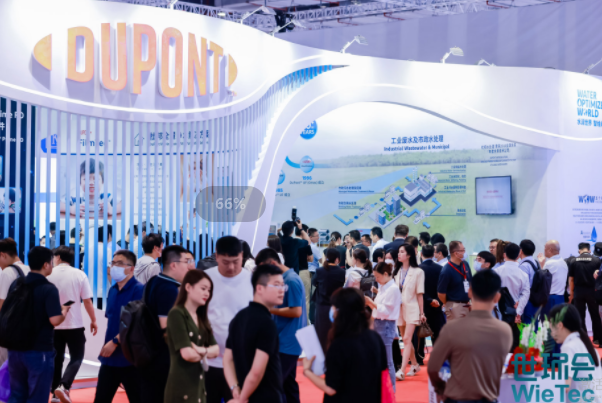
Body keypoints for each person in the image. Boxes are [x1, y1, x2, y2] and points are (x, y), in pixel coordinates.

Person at [427, 269, 512, 403]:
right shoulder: (505, 331)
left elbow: (433, 367)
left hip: (455, 398)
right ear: (497, 297)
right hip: (487, 399)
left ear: (470, 292)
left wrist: (440, 388)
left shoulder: (452, 328)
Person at [6, 247, 71, 403]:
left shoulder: (17, 283)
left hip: (14, 348)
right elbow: (55, 320)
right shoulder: (48, 288)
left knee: (17, 395)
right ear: (46, 264)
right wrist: (64, 311)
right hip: (38, 349)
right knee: (37, 396)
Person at [302, 288, 388, 403]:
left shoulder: (339, 344)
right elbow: (382, 374)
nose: (332, 310)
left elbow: (331, 388)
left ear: (341, 311)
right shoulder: (375, 338)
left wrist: (307, 371)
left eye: (334, 306)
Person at [139, 245, 195, 403]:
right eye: (186, 261)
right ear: (174, 265)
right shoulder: (169, 289)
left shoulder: (154, 281)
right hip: (163, 358)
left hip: (148, 353)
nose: (189, 266)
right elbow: (167, 327)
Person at [223, 264, 285, 403]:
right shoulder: (267, 323)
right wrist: (242, 399)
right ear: (259, 288)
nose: (282, 290)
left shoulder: (238, 317)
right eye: (276, 285)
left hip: (244, 393)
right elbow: (257, 372)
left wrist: (235, 388)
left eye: (283, 285)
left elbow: (227, 359)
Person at [204, 236, 253, 403]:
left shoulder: (252, 281)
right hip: (209, 362)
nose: (231, 267)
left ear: (242, 256)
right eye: (225, 262)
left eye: (236, 261)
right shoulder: (204, 279)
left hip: (240, 363)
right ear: (216, 255)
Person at [256, 248, 306, 403]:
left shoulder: (290, 280)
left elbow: (296, 311)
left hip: (288, 342)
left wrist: (269, 309)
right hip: (283, 340)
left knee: (274, 384)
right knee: (288, 385)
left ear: (272, 263)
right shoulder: (285, 279)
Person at [48, 246, 98, 403]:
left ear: (58, 257)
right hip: (74, 324)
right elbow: (87, 301)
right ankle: (64, 386)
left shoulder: (49, 274)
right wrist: (93, 320)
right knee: (77, 357)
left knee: (56, 359)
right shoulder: (79, 274)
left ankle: (55, 393)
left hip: (53, 324)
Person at [94, 250, 143, 403]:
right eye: (113, 263)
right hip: (109, 358)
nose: (114, 266)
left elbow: (137, 324)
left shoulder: (139, 290)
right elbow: (112, 320)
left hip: (130, 359)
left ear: (131, 268)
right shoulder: (113, 290)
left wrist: (115, 341)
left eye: (120, 263)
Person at [164, 270, 219, 403]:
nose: (207, 294)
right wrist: (207, 353)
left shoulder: (201, 317)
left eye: (209, 290)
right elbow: (187, 354)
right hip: (181, 388)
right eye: (203, 289)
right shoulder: (177, 314)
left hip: (199, 386)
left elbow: (216, 350)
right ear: (188, 287)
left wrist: (201, 350)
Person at [549, 303, 602, 402]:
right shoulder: (585, 344)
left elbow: (565, 386)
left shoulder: (569, 347)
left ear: (560, 325)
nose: (551, 333)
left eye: (551, 327)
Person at [364, 262, 401, 392]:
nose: (376, 279)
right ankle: (385, 389)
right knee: (381, 359)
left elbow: (386, 311)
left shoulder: (393, 289)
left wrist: (370, 302)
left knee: (388, 361)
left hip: (386, 325)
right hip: (380, 323)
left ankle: (391, 390)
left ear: (385, 274)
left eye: (377, 276)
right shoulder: (385, 287)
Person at [394, 243, 425, 380]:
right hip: (399, 309)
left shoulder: (418, 272)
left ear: (409, 255)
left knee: (407, 338)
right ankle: (415, 365)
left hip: (412, 308)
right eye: (399, 252)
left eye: (402, 252)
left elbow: (420, 294)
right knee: (406, 340)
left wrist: (422, 312)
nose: (399, 254)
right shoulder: (396, 271)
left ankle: (401, 370)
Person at [494, 243, 530, 350]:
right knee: (514, 344)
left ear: (504, 255)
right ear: (518, 255)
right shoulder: (523, 274)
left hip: (499, 312)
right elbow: (526, 294)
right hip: (515, 313)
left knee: (499, 344)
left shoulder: (496, 272)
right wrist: (518, 312)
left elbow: (491, 292)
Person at [568, 242, 602, 346]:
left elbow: (571, 279)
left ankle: (583, 339)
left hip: (578, 292)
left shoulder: (573, 261)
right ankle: (598, 339)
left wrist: (571, 294)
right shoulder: (596, 260)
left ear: (579, 250)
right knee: (595, 315)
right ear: (589, 250)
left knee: (580, 316)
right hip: (593, 291)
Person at [312, 248, 346, 351]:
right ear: (337, 259)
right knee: (334, 330)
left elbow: (314, 283)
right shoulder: (342, 272)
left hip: (321, 305)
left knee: (321, 331)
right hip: (336, 305)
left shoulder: (320, 271)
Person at [437, 241, 472, 321]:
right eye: (463, 250)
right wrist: (449, 303)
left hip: (467, 304)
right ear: (456, 253)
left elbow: (471, 283)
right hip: (454, 306)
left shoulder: (465, 264)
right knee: (457, 328)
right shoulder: (446, 270)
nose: (465, 252)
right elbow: (441, 293)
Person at [419, 245, 444, 345]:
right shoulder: (441, 268)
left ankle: (419, 354)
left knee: (420, 335)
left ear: (421, 254)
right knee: (437, 334)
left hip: (422, 306)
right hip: (437, 305)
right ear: (433, 254)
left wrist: (428, 299)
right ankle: (438, 354)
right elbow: (443, 287)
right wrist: (437, 300)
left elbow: (418, 290)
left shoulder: (417, 269)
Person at [538, 240, 568, 316]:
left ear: (550, 250)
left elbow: (541, 280)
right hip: (560, 298)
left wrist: (541, 265)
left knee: (548, 321)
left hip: (550, 299)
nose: (544, 250)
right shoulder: (563, 262)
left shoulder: (549, 263)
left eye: (545, 248)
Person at [0, 238, 30, 311]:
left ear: (3, 255)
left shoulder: (8, 272)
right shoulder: (30, 269)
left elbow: (2, 304)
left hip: (14, 316)